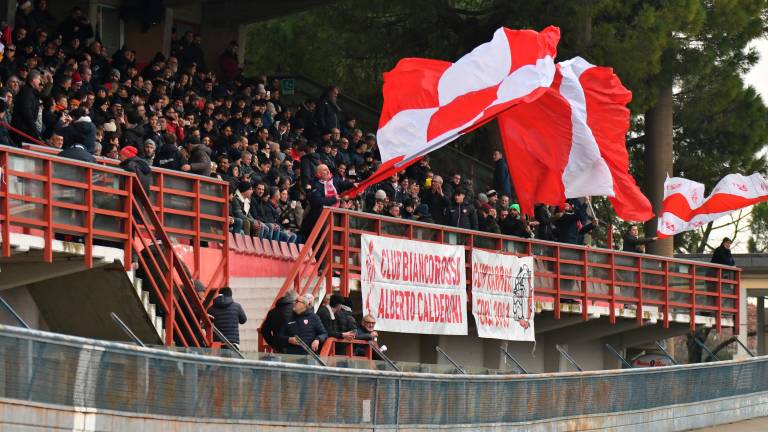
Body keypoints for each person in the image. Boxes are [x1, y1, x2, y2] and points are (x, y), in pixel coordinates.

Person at [11, 69, 43, 146]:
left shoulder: (31, 92)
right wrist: (33, 128)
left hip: (25, 128)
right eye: (39, 79)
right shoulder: (27, 92)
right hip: (21, 129)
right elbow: (26, 110)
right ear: (33, 80)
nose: (40, 82)